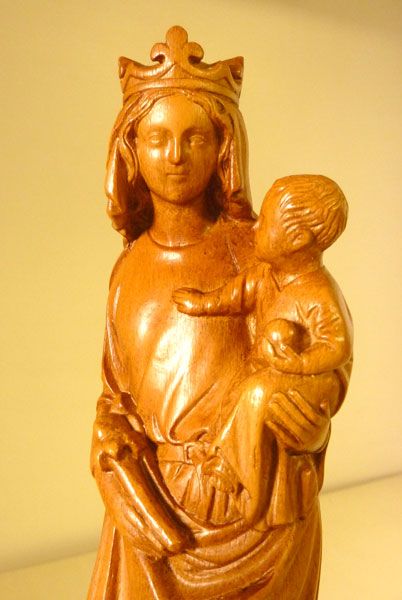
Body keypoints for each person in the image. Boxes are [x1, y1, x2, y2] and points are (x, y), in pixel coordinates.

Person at [88, 27, 348, 600]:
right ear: (131, 149)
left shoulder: (259, 252)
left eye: (194, 137)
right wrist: (107, 438)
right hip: (159, 514)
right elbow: (117, 393)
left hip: (258, 517)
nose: (175, 156)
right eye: (157, 138)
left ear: (223, 146)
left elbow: (317, 355)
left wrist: (311, 425)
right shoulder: (128, 271)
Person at [173, 174, 353, 524]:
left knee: (255, 392)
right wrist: (202, 304)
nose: (256, 226)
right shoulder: (266, 275)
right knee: (248, 390)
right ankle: (228, 458)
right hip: (277, 371)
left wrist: (300, 364)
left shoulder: (318, 293)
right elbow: (235, 295)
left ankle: (248, 483)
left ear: (298, 239)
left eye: (267, 220)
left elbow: (338, 346)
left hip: (310, 382)